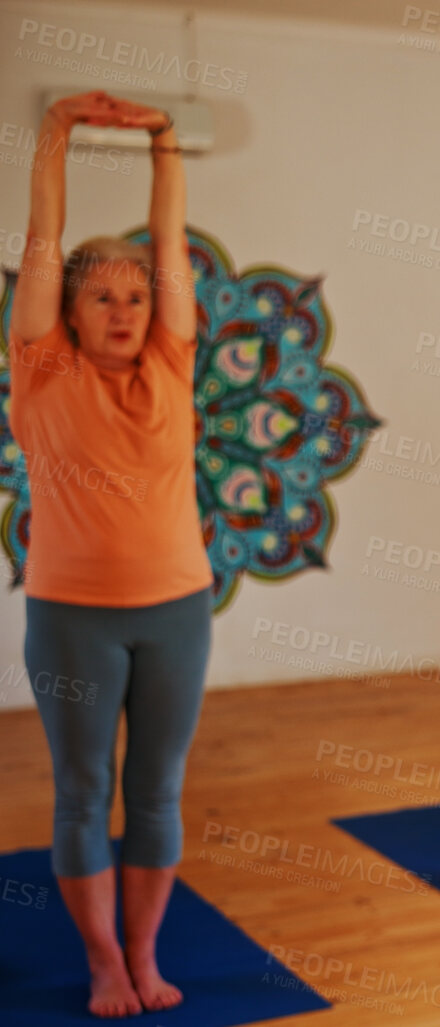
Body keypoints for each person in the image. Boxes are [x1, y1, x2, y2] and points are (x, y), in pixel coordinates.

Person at [8, 90, 212, 1018]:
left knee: (157, 791)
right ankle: (100, 962)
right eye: (102, 295)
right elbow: (43, 239)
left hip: (177, 612)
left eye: (136, 296)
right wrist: (56, 136)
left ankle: (144, 952)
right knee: (84, 791)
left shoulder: (173, 356)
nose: (125, 309)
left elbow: (171, 242)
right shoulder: (42, 366)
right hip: (72, 619)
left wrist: (165, 142)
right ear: (69, 312)